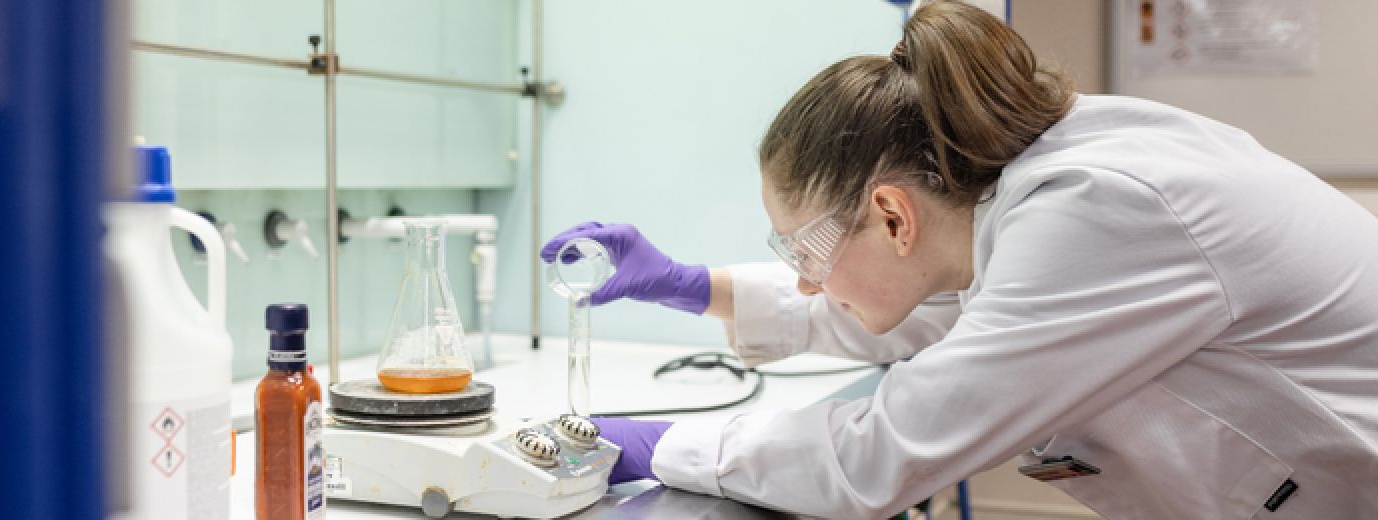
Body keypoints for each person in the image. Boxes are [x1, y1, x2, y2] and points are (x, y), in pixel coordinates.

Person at [543, 1, 1378, 517]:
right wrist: (694, 288)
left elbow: (883, 454)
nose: (803, 277)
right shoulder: (1041, 185)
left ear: (893, 216)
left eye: (805, 248)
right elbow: (943, 318)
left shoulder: (1103, 208)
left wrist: (667, 446)